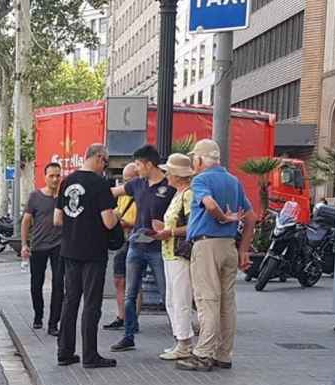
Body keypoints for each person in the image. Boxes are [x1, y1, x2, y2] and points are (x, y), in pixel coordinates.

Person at [177, 139, 256, 372]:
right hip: (229, 246)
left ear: (200, 159)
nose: (193, 162)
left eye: (195, 158)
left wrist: (222, 217)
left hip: (207, 245)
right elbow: (251, 217)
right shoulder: (234, 181)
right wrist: (243, 249)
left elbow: (209, 204)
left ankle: (203, 353)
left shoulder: (201, 180)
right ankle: (224, 354)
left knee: (207, 300)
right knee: (227, 303)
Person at [54, 143, 119, 369]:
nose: (105, 167)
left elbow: (57, 219)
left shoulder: (67, 181)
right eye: (106, 163)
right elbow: (108, 221)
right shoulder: (100, 184)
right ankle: (90, 355)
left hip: (69, 250)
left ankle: (65, 352)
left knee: (70, 301)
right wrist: (118, 214)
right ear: (100, 158)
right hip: (93, 251)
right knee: (91, 304)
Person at [110, 145, 176, 353]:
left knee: (167, 294)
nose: (136, 169)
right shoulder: (137, 184)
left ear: (149, 164)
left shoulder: (170, 186)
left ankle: (179, 337)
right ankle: (128, 336)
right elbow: (114, 191)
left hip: (159, 247)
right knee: (131, 293)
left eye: (138, 164)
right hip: (136, 245)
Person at [154, 154, 196, 360]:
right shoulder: (179, 194)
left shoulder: (187, 195)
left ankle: (185, 342)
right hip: (170, 252)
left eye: (169, 172)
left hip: (179, 253)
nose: (166, 175)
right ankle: (180, 339)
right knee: (172, 298)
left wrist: (169, 232)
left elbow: (192, 226)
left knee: (180, 298)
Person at [21, 162, 64, 336]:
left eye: (57, 176)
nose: (55, 179)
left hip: (59, 246)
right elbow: (25, 221)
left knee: (59, 284)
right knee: (36, 284)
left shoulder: (64, 197)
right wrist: (25, 244)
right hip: (38, 246)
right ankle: (38, 315)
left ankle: (54, 323)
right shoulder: (35, 196)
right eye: (51, 176)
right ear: (45, 177)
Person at [103, 162, 139, 331]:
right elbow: (118, 211)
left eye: (129, 180)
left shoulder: (142, 193)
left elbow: (144, 219)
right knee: (119, 279)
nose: (125, 185)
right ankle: (121, 315)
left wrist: (125, 222)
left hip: (136, 238)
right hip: (123, 240)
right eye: (124, 181)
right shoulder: (123, 194)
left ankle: (133, 319)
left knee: (134, 282)